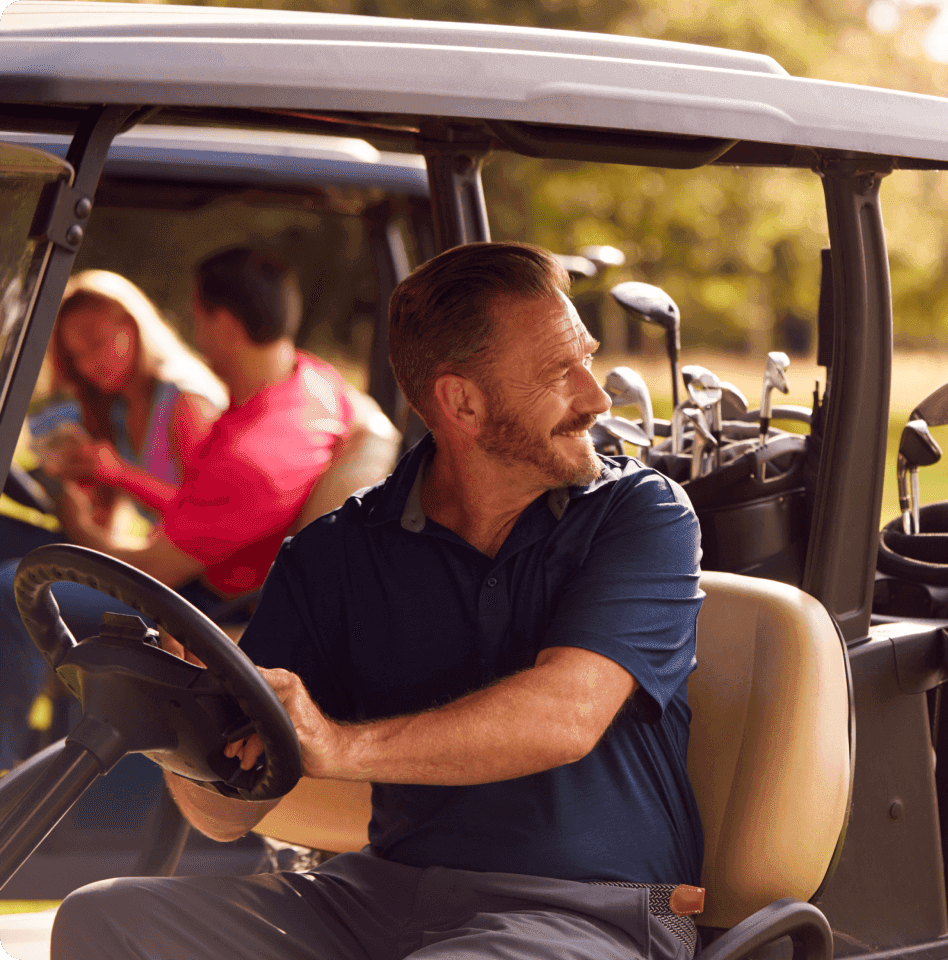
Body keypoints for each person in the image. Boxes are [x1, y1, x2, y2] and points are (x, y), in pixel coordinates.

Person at [51, 241, 707, 960]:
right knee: (105, 920)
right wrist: (176, 725)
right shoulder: (338, 553)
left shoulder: (639, 514)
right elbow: (226, 817)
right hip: (381, 897)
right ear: (462, 401)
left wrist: (340, 746)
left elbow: (566, 715)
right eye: (561, 373)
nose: (596, 397)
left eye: (583, 357)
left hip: (586, 913)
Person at [0, 248, 353, 771]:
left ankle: (8, 766)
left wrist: (81, 515)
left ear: (222, 324)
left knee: (12, 587)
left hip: (202, 608)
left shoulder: (245, 455)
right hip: (197, 576)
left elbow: (153, 568)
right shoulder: (309, 382)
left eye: (197, 315)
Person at [1, 269, 226, 554]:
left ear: (133, 326)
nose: (89, 364)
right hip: (162, 560)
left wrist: (120, 474)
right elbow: (110, 528)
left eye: (97, 344)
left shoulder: (186, 401)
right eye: (77, 355)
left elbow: (210, 519)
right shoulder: (118, 405)